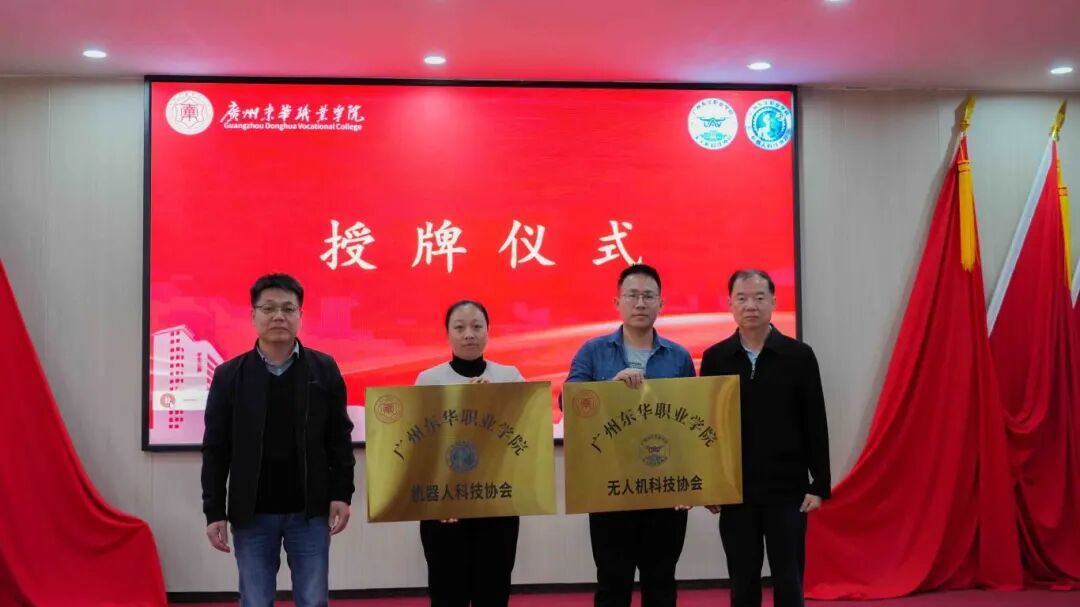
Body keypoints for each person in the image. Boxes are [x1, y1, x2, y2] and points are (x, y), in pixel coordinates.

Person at [201, 273, 355, 607]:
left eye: (288, 308)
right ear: (253, 315)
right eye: (268, 308)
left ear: (300, 315)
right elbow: (215, 449)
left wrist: (342, 493)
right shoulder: (230, 376)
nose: (278, 316)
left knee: (313, 600)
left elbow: (339, 438)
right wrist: (214, 511)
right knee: (255, 600)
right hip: (252, 513)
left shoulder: (323, 369)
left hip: (310, 511)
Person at [565, 264, 697, 607]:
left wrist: (691, 484)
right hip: (610, 486)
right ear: (617, 302)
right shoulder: (593, 351)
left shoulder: (679, 357)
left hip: (664, 485)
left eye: (648, 296)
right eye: (632, 295)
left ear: (660, 304)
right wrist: (610, 390)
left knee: (661, 582)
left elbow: (692, 423)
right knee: (612, 582)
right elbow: (571, 405)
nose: (640, 303)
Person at [700, 269, 830, 607]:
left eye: (759, 298)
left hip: (787, 490)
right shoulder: (716, 358)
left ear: (773, 302)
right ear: (730, 304)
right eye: (742, 298)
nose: (751, 306)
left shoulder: (798, 356)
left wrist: (820, 484)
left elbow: (815, 421)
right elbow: (706, 428)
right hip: (736, 490)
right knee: (742, 581)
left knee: (789, 579)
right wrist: (709, 486)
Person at [415, 300, 525, 607]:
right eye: (460, 327)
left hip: (497, 504)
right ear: (447, 333)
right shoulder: (428, 380)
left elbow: (525, 438)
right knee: (447, 593)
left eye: (477, 327)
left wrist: (494, 402)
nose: (469, 334)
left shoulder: (509, 377)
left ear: (488, 331)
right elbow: (420, 449)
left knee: (494, 591)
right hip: (444, 509)